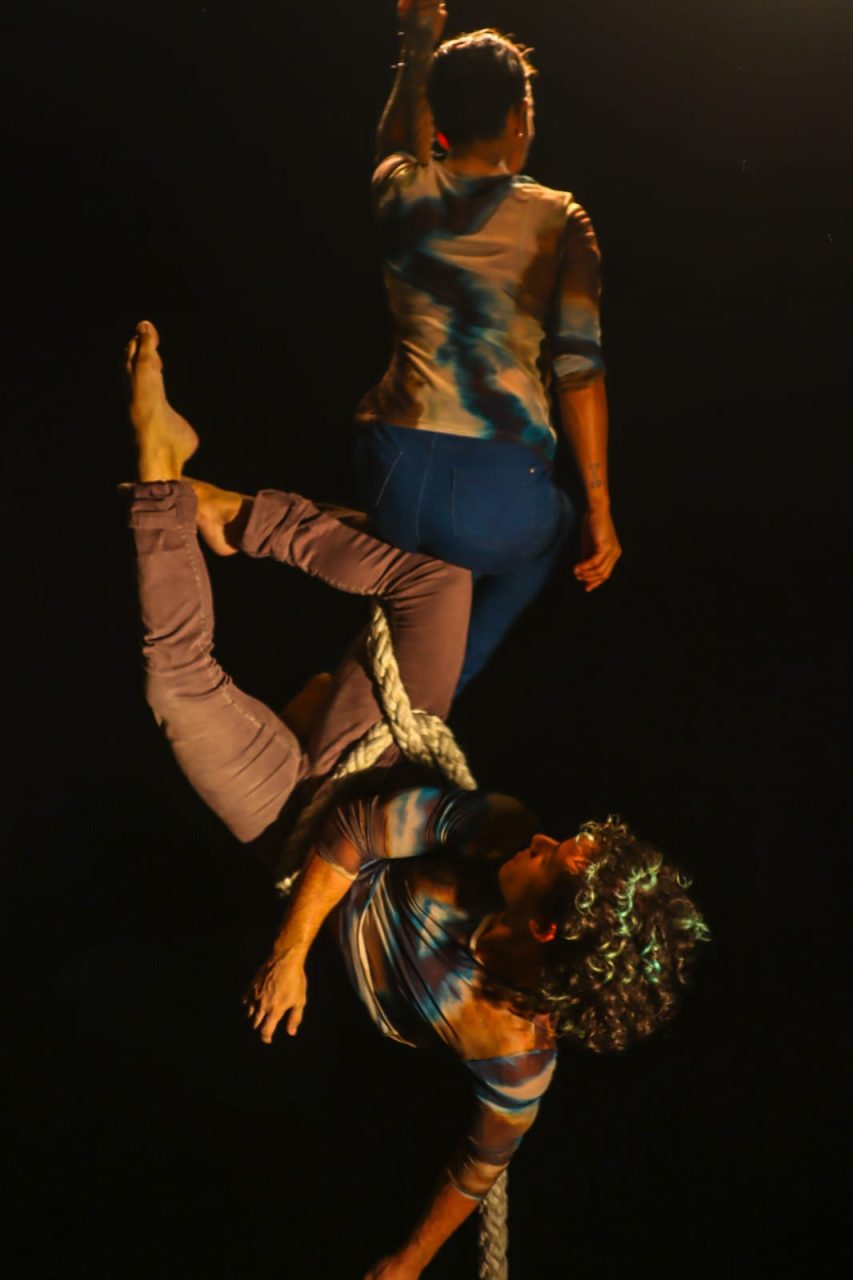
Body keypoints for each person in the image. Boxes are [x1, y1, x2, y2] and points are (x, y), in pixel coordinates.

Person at [125, 322, 707, 1280]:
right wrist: (289, 957)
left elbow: (477, 1169)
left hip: (286, 821)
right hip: (363, 773)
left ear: (548, 929)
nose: (544, 837)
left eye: (556, 859)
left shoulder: (514, 1059)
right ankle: (217, 508)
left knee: (174, 684)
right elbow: (361, 823)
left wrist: (406, 1263)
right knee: (436, 583)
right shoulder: (502, 830)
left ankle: (159, 477)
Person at [355, 1, 622, 691]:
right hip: (492, 490)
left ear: (439, 117)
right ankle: (432, 699)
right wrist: (600, 512)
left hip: (390, 468)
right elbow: (577, 371)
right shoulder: (560, 219)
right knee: (555, 525)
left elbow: (394, 143)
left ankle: (349, 691)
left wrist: (417, 43)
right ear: (517, 118)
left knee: (408, 600)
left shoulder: (399, 193)